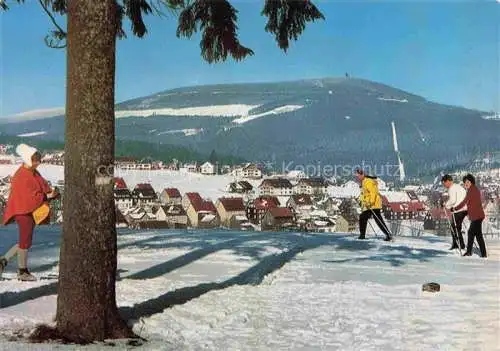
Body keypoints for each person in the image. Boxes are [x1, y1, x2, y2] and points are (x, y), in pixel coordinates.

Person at [0, 144, 58, 281]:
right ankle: (22, 271)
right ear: (28, 159)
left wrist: (51, 193)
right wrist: (46, 197)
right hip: (22, 210)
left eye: (38, 159)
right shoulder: (22, 175)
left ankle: (3, 262)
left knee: (25, 241)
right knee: (25, 241)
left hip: (29, 210)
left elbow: (42, 185)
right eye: (35, 160)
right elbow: (27, 196)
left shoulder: (33, 172)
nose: (38, 163)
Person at [451, 174, 487, 257]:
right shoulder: (474, 189)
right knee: (478, 235)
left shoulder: (472, 190)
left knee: (471, 232)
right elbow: (471, 203)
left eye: (467, 182)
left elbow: (465, 201)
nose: (466, 184)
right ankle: (483, 253)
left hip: (477, 216)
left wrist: (455, 208)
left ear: (471, 182)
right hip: (478, 216)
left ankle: (469, 252)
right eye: (465, 183)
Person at [355, 169, 392, 241]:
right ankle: (362, 235)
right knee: (365, 218)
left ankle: (388, 235)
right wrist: (361, 201)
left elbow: (373, 193)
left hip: (373, 205)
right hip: (371, 205)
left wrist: (370, 203)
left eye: (358, 176)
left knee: (375, 219)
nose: (357, 178)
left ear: (362, 174)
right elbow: (365, 194)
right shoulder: (364, 181)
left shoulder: (368, 181)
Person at [441, 174, 467, 250]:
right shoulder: (459, 187)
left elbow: (452, 200)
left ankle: (458, 245)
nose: (444, 185)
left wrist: (446, 205)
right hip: (465, 209)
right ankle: (459, 244)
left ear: (448, 181)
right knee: (457, 227)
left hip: (458, 210)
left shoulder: (451, 189)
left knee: (454, 227)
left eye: (444, 183)